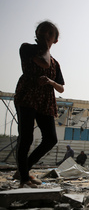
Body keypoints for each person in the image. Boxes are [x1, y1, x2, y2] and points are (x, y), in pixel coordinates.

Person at [14, 21, 64, 188]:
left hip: (45, 101)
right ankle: (24, 179)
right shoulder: (27, 48)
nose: (45, 35)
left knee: (50, 139)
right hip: (27, 96)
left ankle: (24, 169)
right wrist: (44, 46)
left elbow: (61, 88)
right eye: (42, 32)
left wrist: (50, 81)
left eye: (50, 33)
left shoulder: (56, 64)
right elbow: (43, 62)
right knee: (26, 137)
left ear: (55, 40)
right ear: (36, 33)